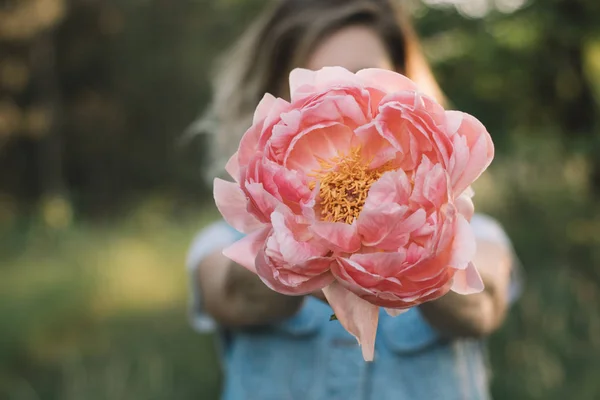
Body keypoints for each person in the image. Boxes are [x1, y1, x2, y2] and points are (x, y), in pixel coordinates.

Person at [186, 1, 523, 399]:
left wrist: (415, 234)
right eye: (317, 84)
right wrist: (299, 246)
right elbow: (231, 294)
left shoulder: (476, 233)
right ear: (269, 106)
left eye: (365, 77)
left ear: (408, 87)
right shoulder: (219, 244)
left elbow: (480, 305)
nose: (348, 99)